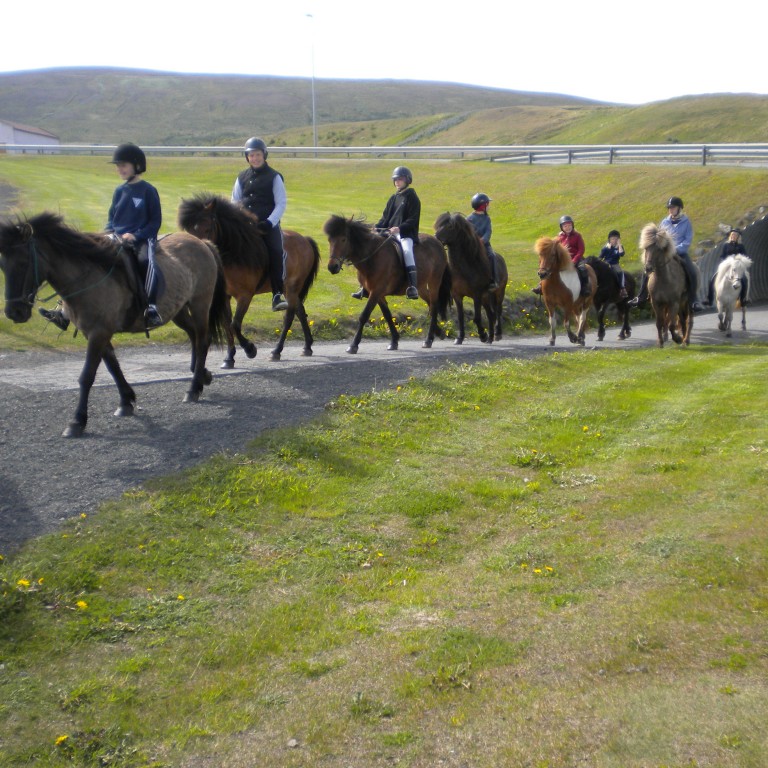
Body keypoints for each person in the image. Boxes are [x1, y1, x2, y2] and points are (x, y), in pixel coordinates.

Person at [39, 142, 163, 331]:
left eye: (123, 165)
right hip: (115, 237)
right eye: (117, 166)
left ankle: (152, 307)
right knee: (85, 259)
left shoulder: (148, 191)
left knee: (146, 262)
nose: (119, 169)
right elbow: (112, 219)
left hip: (142, 240)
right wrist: (107, 233)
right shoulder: (119, 191)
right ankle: (64, 313)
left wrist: (136, 235)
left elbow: (154, 222)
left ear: (137, 165)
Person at [231, 137, 289, 311]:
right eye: (251, 155)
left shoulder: (274, 177)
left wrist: (269, 223)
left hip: (267, 225)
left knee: (276, 251)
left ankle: (277, 294)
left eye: (257, 155)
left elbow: (281, 203)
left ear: (264, 155)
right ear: (247, 157)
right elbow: (234, 200)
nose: (254, 158)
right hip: (245, 226)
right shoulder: (241, 176)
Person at [353, 166, 420, 300]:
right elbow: (385, 218)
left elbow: (413, 219)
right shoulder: (393, 198)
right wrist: (376, 228)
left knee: (407, 251)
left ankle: (412, 286)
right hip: (389, 232)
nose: (397, 182)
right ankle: (364, 287)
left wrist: (399, 228)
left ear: (407, 180)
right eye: (395, 179)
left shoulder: (412, 197)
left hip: (405, 234)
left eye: (400, 179)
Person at [629, 196, 703, 312]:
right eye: (669, 208)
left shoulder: (686, 222)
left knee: (692, 271)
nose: (671, 210)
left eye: (673, 207)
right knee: (648, 269)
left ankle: (694, 299)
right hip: (666, 253)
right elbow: (660, 239)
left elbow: (687, 240)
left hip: (680, 253)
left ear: (679, 208)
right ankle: (641, 296)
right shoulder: (664, 222)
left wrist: (675, 249)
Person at [532, 215, 591, 297]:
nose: (568, 227)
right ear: (562, 227)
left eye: (569, 225)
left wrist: (574, 260)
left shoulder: (577, 236)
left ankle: (585, 287)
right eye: (565, 226)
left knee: (583, 269)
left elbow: (581, 250)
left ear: (572, 225)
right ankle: (541, 285)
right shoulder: (559, 238)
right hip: (563, 260)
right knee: (549, 268)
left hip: (576, 258)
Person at [704, 227, 749, 307]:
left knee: (744, 279)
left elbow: (744, 256)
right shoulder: (726, 245)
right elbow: (722, 255)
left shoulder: (740, 246)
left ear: (738, 237)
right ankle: (709, 299)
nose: (733, 236)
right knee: (713, 278)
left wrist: (738, 259)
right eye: (732, 235)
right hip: (727, 266)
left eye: (735, 235)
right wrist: (724, 261)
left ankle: (743, 299)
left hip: (737, 267)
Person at [467, 192, 499, 290]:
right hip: (473, 245)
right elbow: (468, 233)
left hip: (484, 244)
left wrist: (483, 240)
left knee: (492, 255)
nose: (489, 206)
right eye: (487, 204)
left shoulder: (487, 218)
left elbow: (488, 232)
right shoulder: (469, 219)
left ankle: (493, 280)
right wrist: (475, 241)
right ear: (482, 206)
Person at [599, 229, 628, 298]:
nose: (614, 241)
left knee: (620, 272)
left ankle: (622, 288)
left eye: (616, 239)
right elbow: (600, 257)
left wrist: (619, 245)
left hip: (615, 264)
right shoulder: (606, 248)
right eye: (612, 239)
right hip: (606, 264)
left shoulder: (619, 247)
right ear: (609, 240)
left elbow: (621, 254)